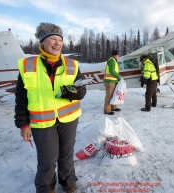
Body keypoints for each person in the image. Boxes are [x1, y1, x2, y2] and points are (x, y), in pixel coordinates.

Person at [14, 22, 86, 193]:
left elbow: (82, 89)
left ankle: (67, 180)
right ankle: (45, 187)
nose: (57, 43)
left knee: (66, 154)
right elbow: (21, 98)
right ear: (42, 42)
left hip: (68, 118)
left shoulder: (72, 65)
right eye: (52, 39)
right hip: (42, 122)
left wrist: (75, 93)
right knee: (48, 158)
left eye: (60, 39)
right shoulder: (27, 66)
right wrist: (23, 124)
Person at [103, 50, 121, 115]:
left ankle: (113, 107)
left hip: (113, 80)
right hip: (109, 81)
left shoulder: (114, 61)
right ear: (115, 55)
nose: (118, 57)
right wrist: (118, 76)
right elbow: (111, 71)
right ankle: (107, 110)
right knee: (109, 95)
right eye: (118, 55)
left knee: (113, 95)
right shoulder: (111, 61)